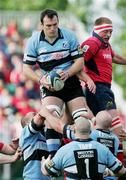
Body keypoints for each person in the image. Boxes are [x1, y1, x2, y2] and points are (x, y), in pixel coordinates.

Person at [22, 8, 95, 156]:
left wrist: (67, 73)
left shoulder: (69, 36)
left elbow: (79, 63)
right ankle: (53, 156)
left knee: (81, 118)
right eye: (48, 25)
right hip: (49, 85)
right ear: (42, 25)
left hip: (71, 81)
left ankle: (81, 153)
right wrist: (41, 80)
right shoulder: (33, 41)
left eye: (55, 24)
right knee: (51, 114)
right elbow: (26, 69)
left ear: (58, 22)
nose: (52, 28)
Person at [80, 17, 126, 165]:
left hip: (105, 89)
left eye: (111, 31)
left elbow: (115, 57)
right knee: (118, 131)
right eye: (106, 31)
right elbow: (78, 62)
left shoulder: (105, 45)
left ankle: (106, 164)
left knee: (105, 131)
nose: (109, 34)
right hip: (98, 89)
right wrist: (88, 79)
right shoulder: (92, 43)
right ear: (98, 30)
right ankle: (117, 167)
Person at [41, 117, 126, 180]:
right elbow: (121, 171)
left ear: (74, 131)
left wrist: (43, 163)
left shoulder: (64, 150)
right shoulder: (103, 149)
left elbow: (46, 171)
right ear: (90, 131)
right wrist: (107, 172)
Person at [19, 111, 51, 180]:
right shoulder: (25, 133)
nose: (37, 114)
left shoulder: (45, 136)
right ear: (28, 124)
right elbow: (38, 120)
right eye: (34, 115)